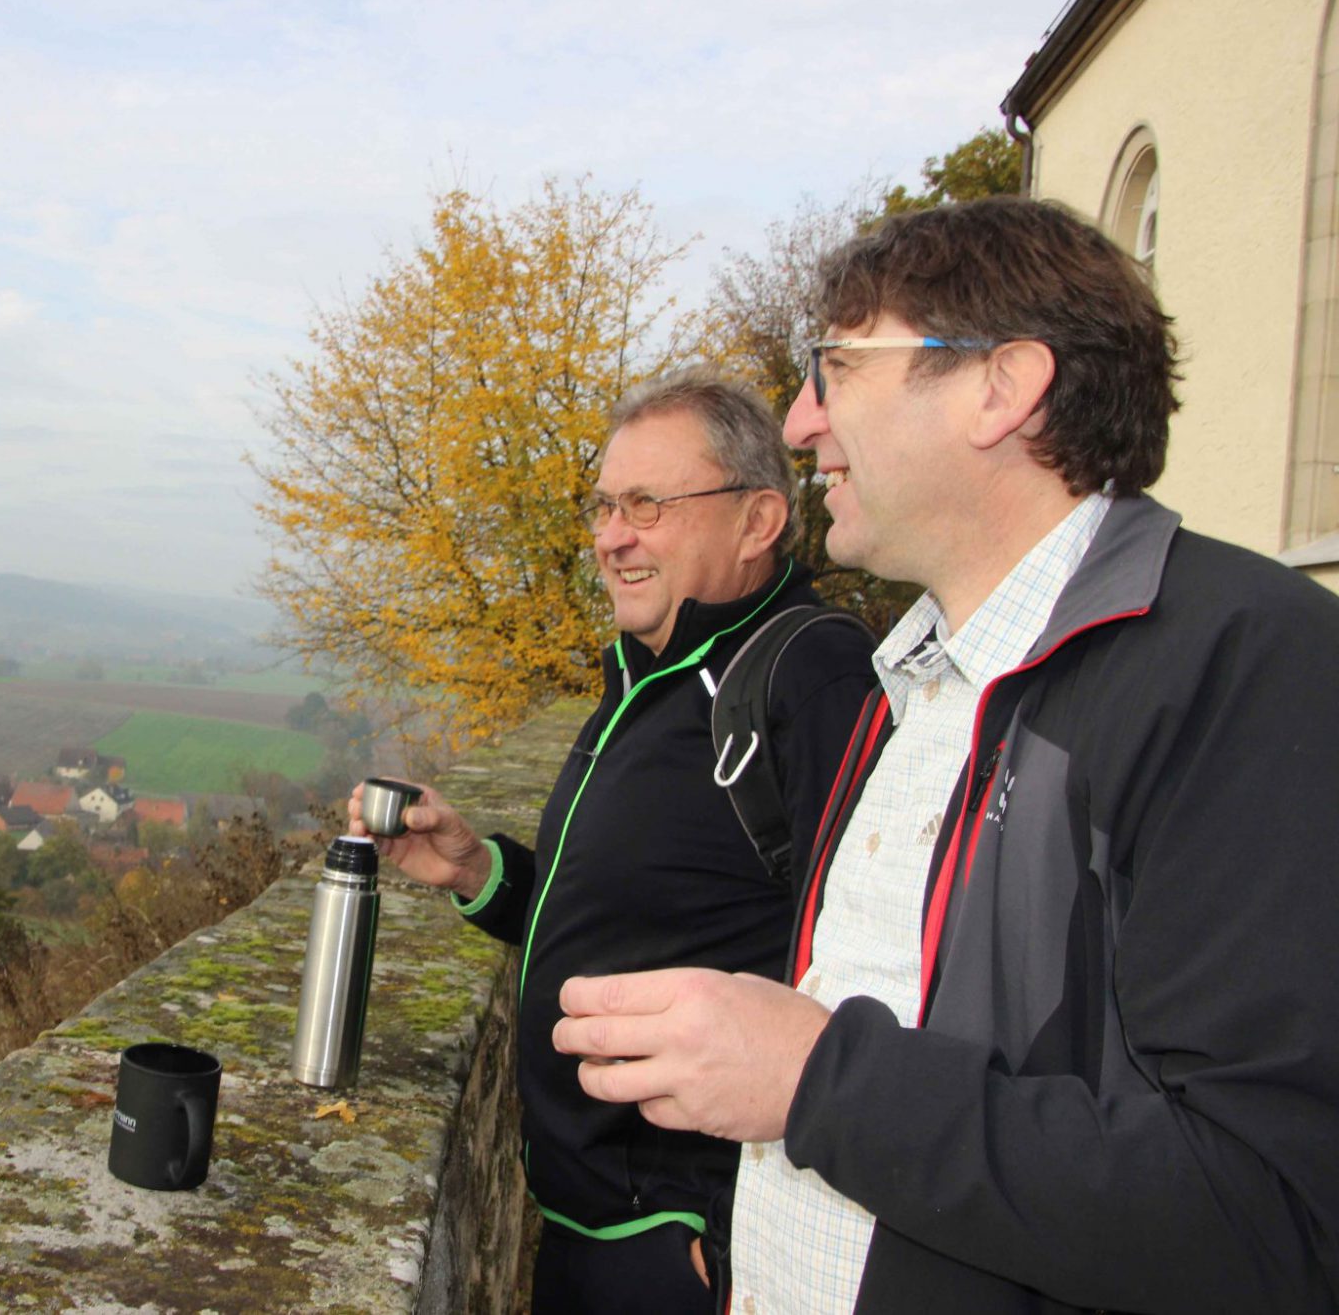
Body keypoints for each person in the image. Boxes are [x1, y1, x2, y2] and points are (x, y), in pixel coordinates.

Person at [552, 196, 1339, 1312]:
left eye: (835, 367)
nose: (797, 419)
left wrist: (815, 1079)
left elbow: (1269, 1211)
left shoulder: (1245, 664)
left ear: (998, 387)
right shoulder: (912, 681)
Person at [354, 369, 875, 1314]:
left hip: (683, 1245)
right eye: (603, 504)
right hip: (594, 1219)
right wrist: (478, 870)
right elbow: (629, 909)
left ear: (758, 521)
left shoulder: (808, 673)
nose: (609, 536)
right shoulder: (651, 675)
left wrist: (724, 1228)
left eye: (647, 504)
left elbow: (878, 971)